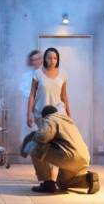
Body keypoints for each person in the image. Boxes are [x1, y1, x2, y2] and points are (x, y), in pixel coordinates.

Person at [22, 105, 99, 194]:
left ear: (45, 115)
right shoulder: (68, 121)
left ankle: (48, 184)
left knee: (35, 147)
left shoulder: (50, 118)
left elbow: (43, 137)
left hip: (69, 156)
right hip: (84, 158)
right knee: (62, 183)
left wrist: (33, 135)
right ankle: (88, 180)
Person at [26, 47, 70, 181]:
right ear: (45, 59)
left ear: (58, 60)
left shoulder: (63, 74)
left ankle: (58, 174)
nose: (52, 60)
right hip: (41, 114)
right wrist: (29, 113)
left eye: (55, 58)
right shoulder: (38, 73)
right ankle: (47, 177)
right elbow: (32, 95)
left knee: (59, 144)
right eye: (49, 57)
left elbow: (64, 96)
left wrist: (69, 114)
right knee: (44, 144)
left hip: (59, 114)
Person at [19, 50, 43, 138]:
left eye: (38, 59)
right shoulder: (26, 76)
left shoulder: (45, 74)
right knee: (27, 133)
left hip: (42, 108)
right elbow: (23, 91)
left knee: (42, 133)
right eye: (34, 60)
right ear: (31, 62)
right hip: (28, 107)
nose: (36, 62)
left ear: (42, 60)